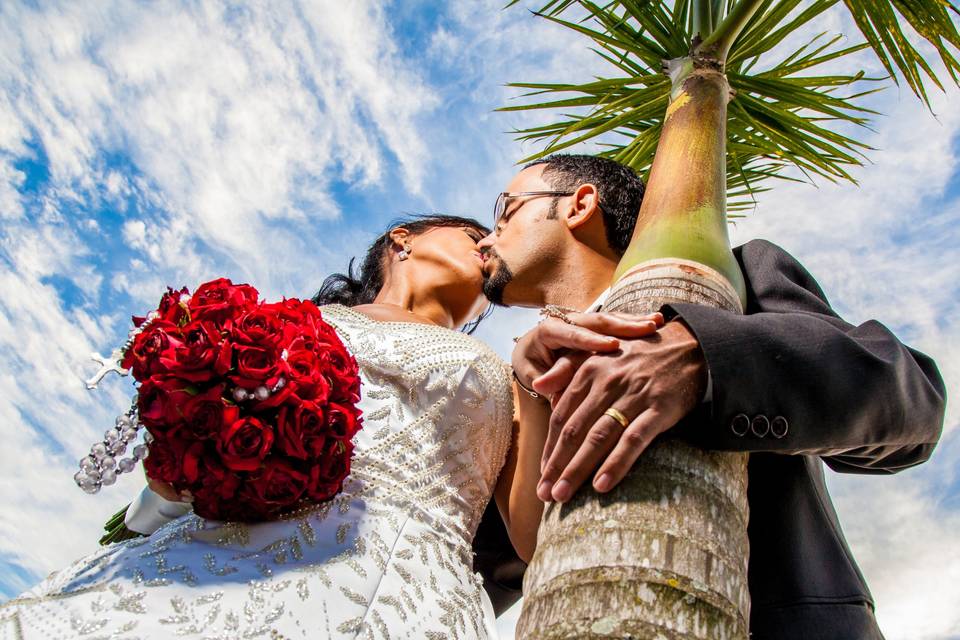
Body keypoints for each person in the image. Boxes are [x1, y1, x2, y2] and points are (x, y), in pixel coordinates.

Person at [4, 214, 634, 639]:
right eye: (471, 231)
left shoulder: (506, 371)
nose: (486, 243)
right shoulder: (292, 321)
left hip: (405, 584)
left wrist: (535, 389)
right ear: (403, 239)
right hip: (220, 547)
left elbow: (529, 539)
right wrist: (181, 468)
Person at [473, 154, 947, 638]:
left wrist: (707, 354)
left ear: (580, 205)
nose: (486, 240)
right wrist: (530, 389)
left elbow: (913, 407)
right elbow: (486, 564)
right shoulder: (513, 390)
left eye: (506, 211)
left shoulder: (735, 280)